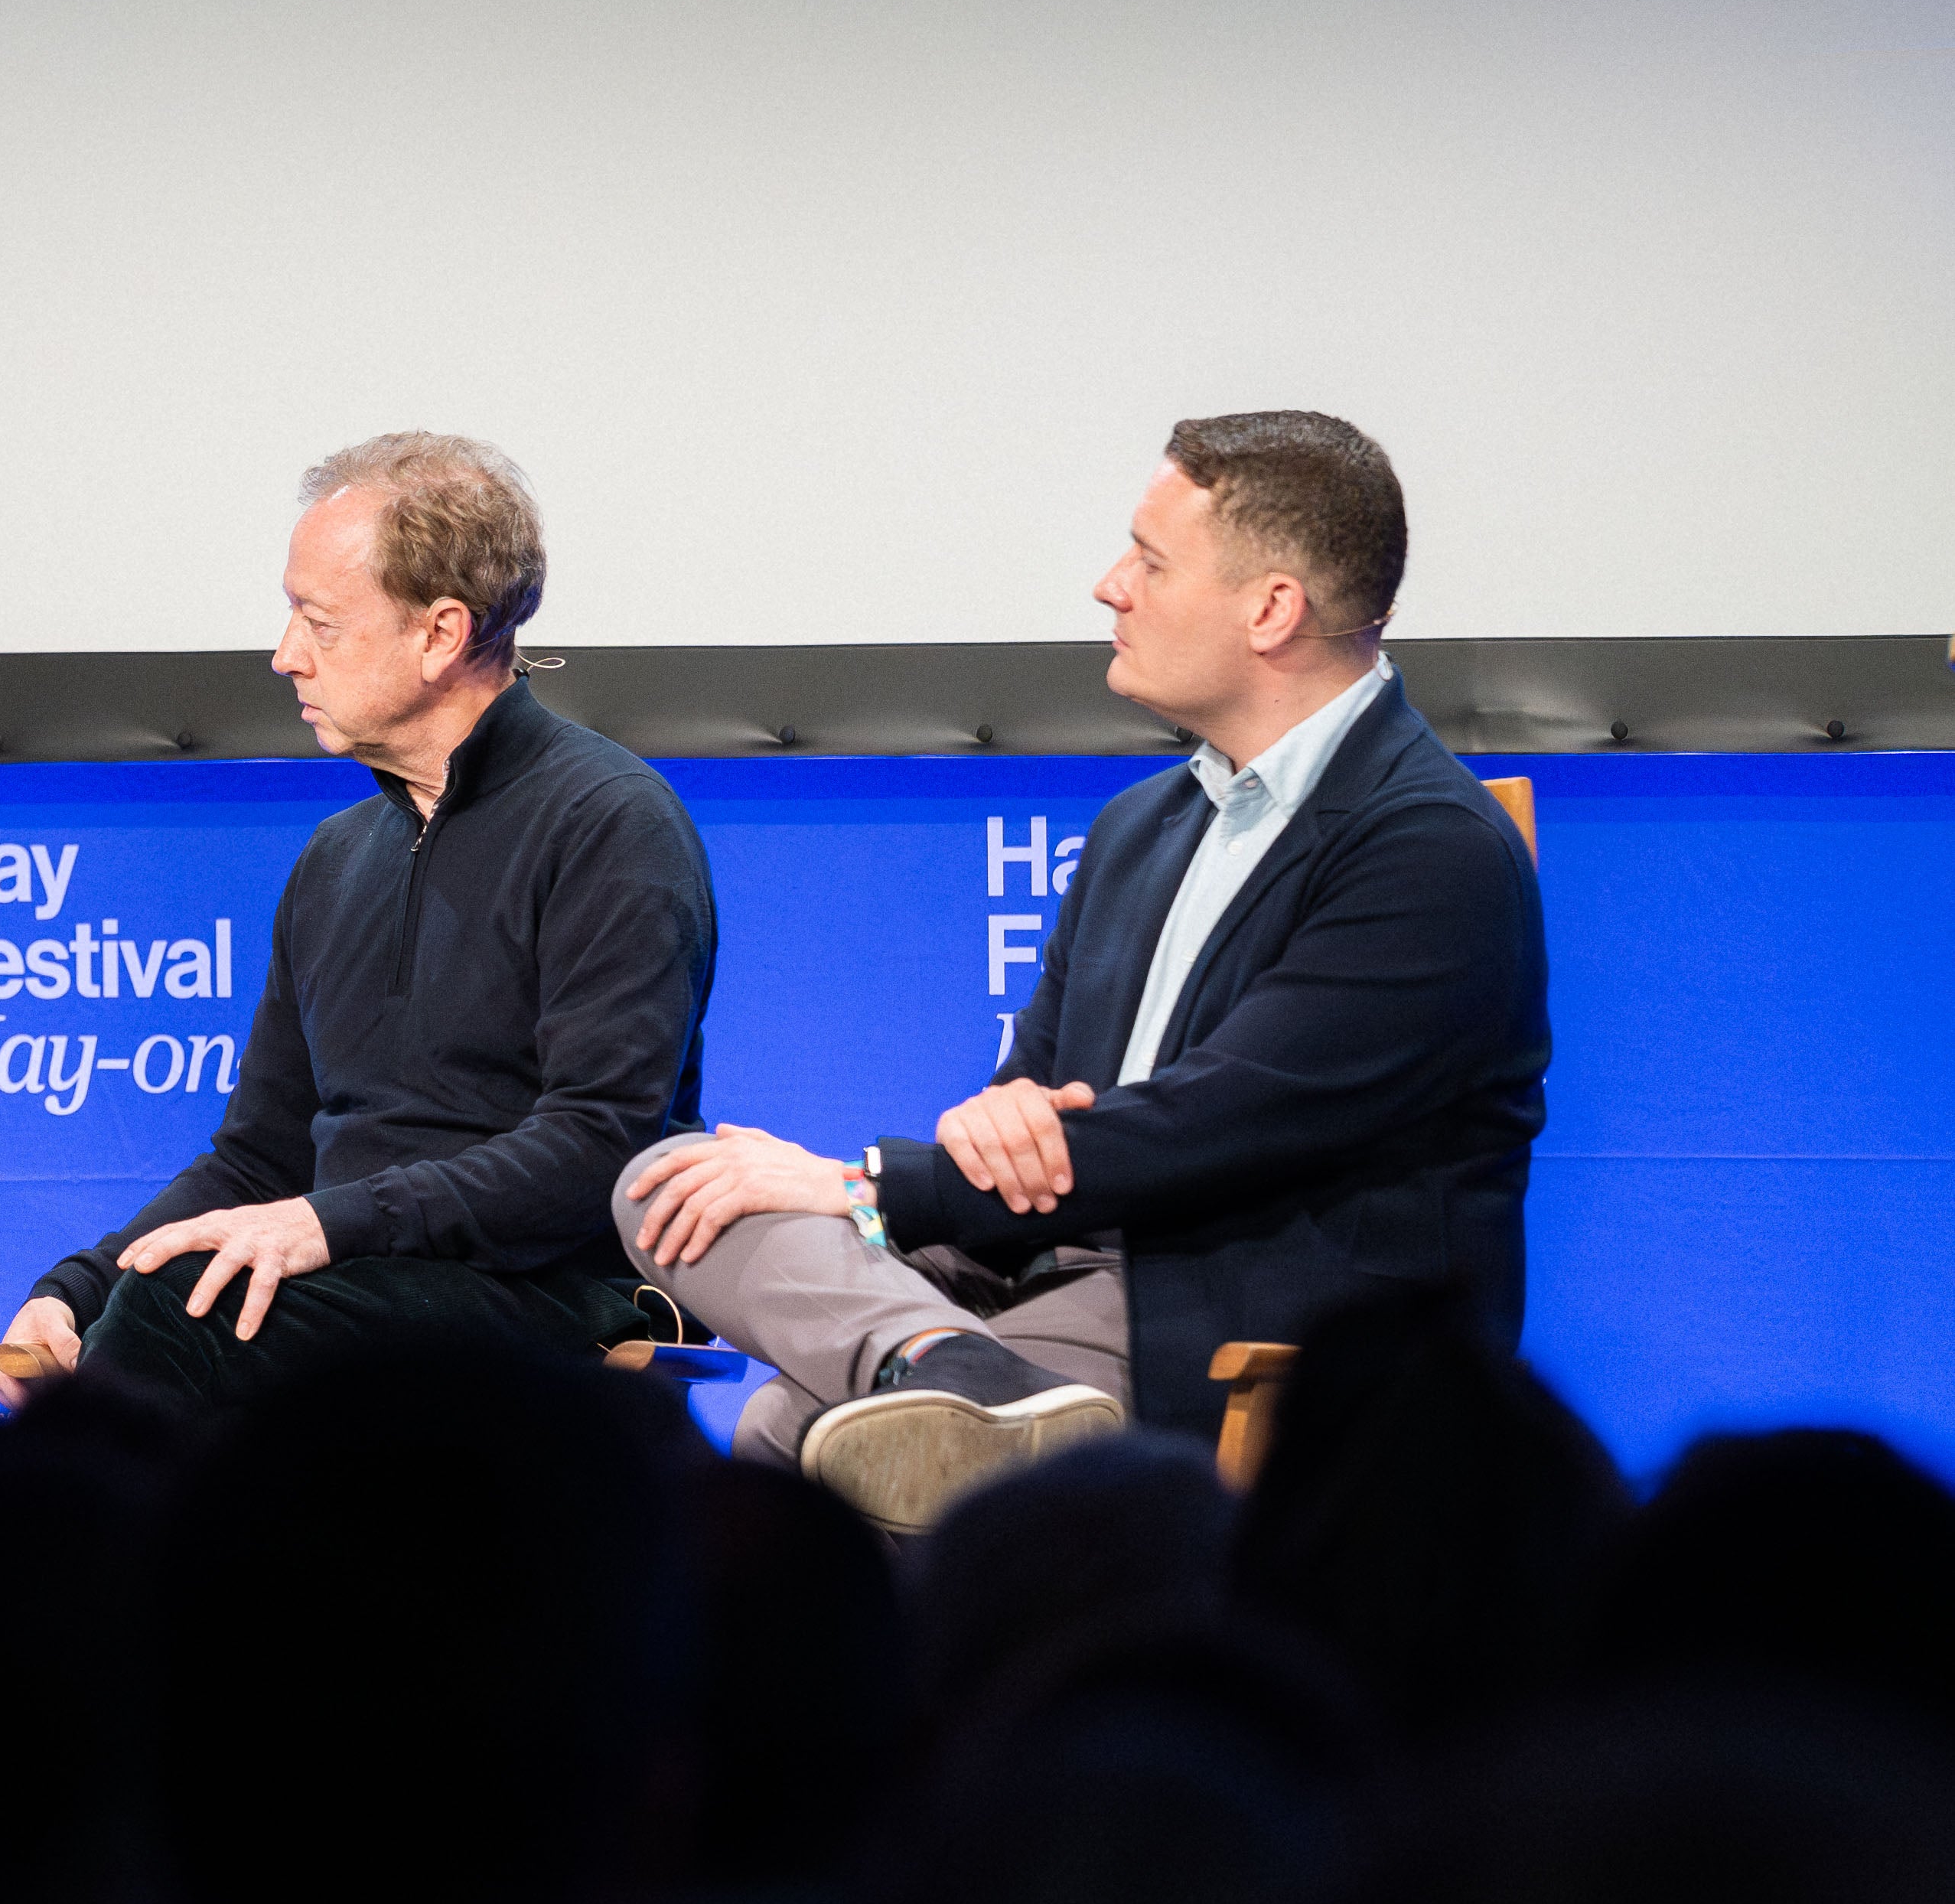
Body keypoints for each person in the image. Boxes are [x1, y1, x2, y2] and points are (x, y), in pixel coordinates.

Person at [617, 411, 1546, 1530]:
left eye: (1151, 561)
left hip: (1223, 1313)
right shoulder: (1138, 827)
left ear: (1271, 608)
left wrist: (863, 1183)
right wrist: (981, 1133)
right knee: (676, 1184)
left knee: (795, 1432)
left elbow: (1214, 1128)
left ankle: (931, 1393)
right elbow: (1026, 1093)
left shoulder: (1428, 847)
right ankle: (941, 1363)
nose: (1111, 585)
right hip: (1026, 1270)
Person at [0, 433, 718, 1407]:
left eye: (318, 621)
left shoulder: (608, 823)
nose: (283, 653)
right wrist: (81, 1287)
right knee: (153, 1306)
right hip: (354, 1275)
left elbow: (597, 1146)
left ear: (440, 633)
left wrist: (327, 1223)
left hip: (548, 1289)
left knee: (185, 1320)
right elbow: (261, 1152)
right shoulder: (336, 855)